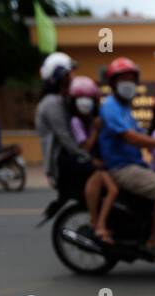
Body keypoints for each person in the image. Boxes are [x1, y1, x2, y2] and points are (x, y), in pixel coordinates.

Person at [97, 58, 155, 262]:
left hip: (136, 165)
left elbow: (143, 135)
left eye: (132, 79)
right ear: (113, 83)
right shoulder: (111, 106)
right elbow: (131, 137)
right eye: (123, 79)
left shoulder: (126, 109)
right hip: (122, 167)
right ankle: (154, 239)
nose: (128, 83)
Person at [68, 75, 117, 242]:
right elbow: (85, 148)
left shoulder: (91, 119)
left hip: (98, 161)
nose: (85, 102)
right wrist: (96, 131)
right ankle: (98, 224)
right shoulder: (76, 121)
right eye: (81, 98)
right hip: (86, 165)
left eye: (88, 98)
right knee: (113, 190)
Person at [34, 51, 88, 188]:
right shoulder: (52, 102)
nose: (72, 77)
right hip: (62, 162)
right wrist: (86, 156)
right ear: (59, 77)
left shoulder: (60, 100)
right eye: (69, 74)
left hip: (67, 158)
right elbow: (64, 135)